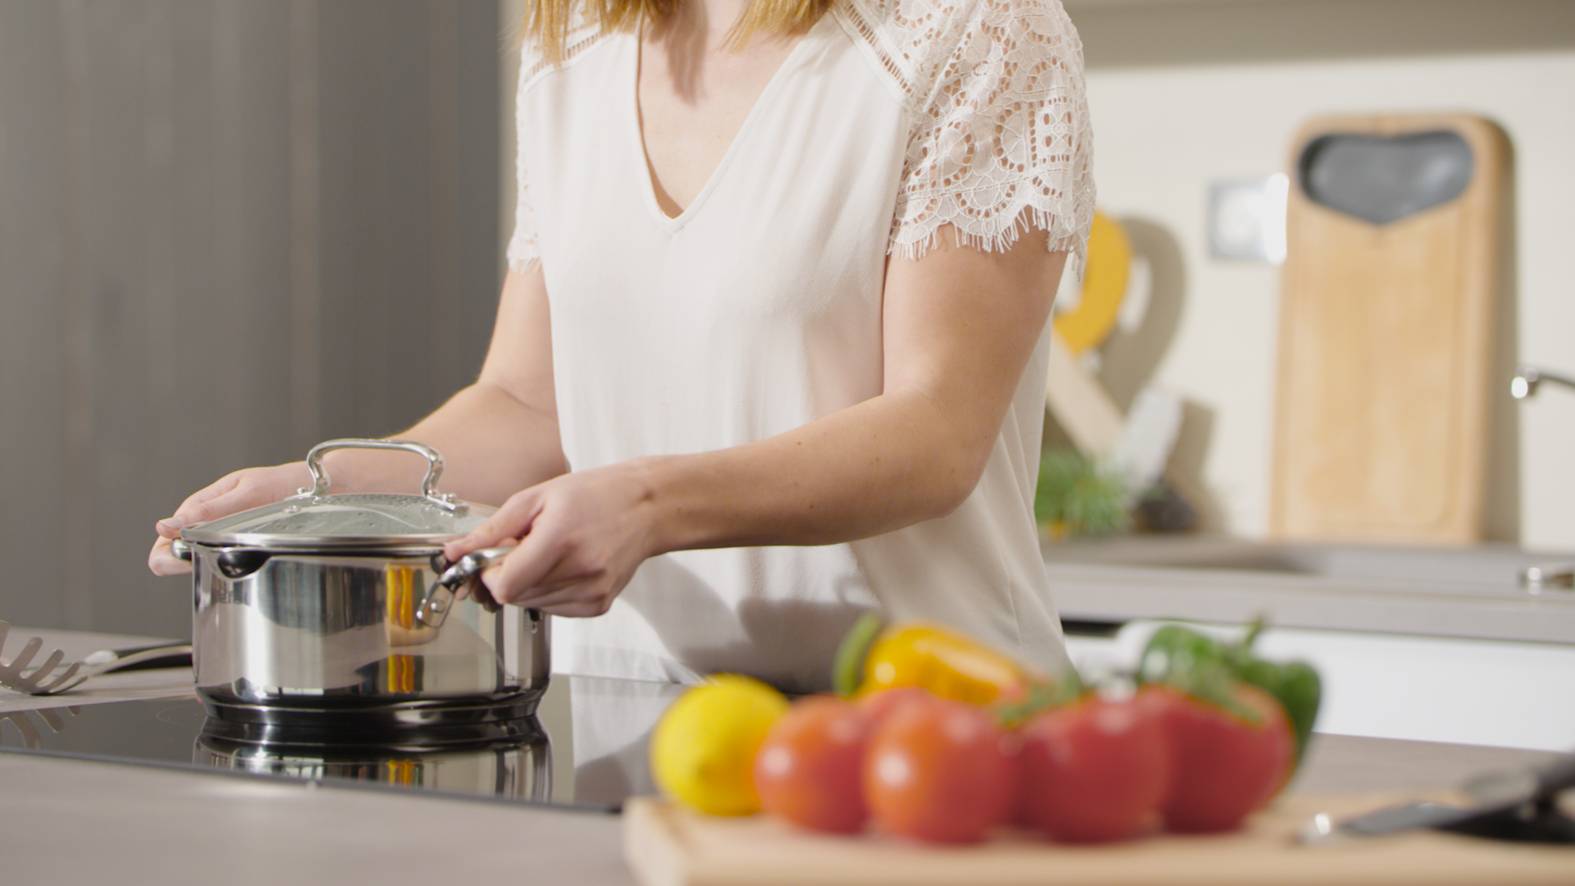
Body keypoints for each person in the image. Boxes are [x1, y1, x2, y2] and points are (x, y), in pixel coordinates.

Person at [149, 0, 1094, 692]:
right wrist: (326, 496)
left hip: (922, 730)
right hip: (631, 723)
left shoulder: (973, 32)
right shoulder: (576, 44)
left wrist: (647, 505)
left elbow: (936, 433)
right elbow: (530, 405)